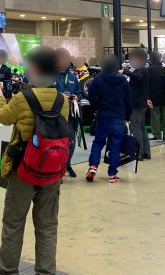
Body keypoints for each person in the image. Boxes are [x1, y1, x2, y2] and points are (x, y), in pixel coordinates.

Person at [0, 47, 68, 275]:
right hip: (52, 170)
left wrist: (0, 96)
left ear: (36, 69)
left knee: (14, 223)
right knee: (47, 225)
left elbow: (3, 117)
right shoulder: (62, 100)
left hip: (23, 169)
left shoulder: (23, 98)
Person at [85, 55, 132, 184]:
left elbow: (91, 97)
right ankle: (112, 174)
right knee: (115, 146)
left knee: (98, 142)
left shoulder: (98, 79)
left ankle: (93, 166)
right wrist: (128, 117)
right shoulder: (123, 80)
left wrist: (96, 108)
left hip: (103, 117)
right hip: (118, 118)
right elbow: (128, 100)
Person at [55, 48, 82, 177]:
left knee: (71, 141)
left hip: (71, 114)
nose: (64, 62)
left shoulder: (72, 76)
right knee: (56, 143)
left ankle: (67, 164)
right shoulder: (50, 75)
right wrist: (60, 96)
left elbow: (79, 92)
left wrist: (76, 97)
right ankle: (57, 168)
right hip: (55, 115)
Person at [123, 48, 151, 160]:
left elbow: (137, 78)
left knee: (136, 128)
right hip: (142, 103)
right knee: (142, 128)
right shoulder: (144, 70)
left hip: (136, 104)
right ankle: (146, 152)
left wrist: (125, 71)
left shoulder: (140, 71)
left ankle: (138, 153)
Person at [146, 51, 165, 143]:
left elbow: (146, 85)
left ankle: (157, 135)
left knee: (155, 117)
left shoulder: (148, 70)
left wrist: (147, 97)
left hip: (153, 97)